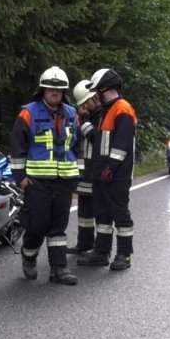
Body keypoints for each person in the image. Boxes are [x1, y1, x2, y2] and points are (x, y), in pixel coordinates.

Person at [9, 66, 81, 285]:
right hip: (37, 181)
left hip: (64, 181)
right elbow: (17, 147)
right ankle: (29, 255)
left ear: (64, 92)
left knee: (58, 227)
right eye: (51, 88)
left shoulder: (71, 114)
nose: (54, 92)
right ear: (43, 89)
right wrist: (20, 177)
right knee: (38, 224)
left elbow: (76, 146)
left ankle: (59, 269)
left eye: (59, 89)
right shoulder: (28, 113)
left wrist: (76, 175)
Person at [77, 68, 137, 271]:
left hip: (116, 175)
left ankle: (124, 254)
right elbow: (99, 143)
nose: (97, 96)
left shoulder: (123, 109)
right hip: (101, 173)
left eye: (98, 91)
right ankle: (101, 252)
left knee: (119, 214)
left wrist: (111, 167)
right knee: (102, 214)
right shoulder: (106, 111)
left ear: (106, 89)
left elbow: (122, 144)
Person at [68, 79, 100, 255]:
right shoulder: (82, 116)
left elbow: (97, 140)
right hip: (83, 172)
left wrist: (85, 121)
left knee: (99, 210)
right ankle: (84, 243)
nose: (85, 107)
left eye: (86, 103)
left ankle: (99, 247)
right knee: (84, 211)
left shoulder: (102, 114)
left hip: (96, 171)